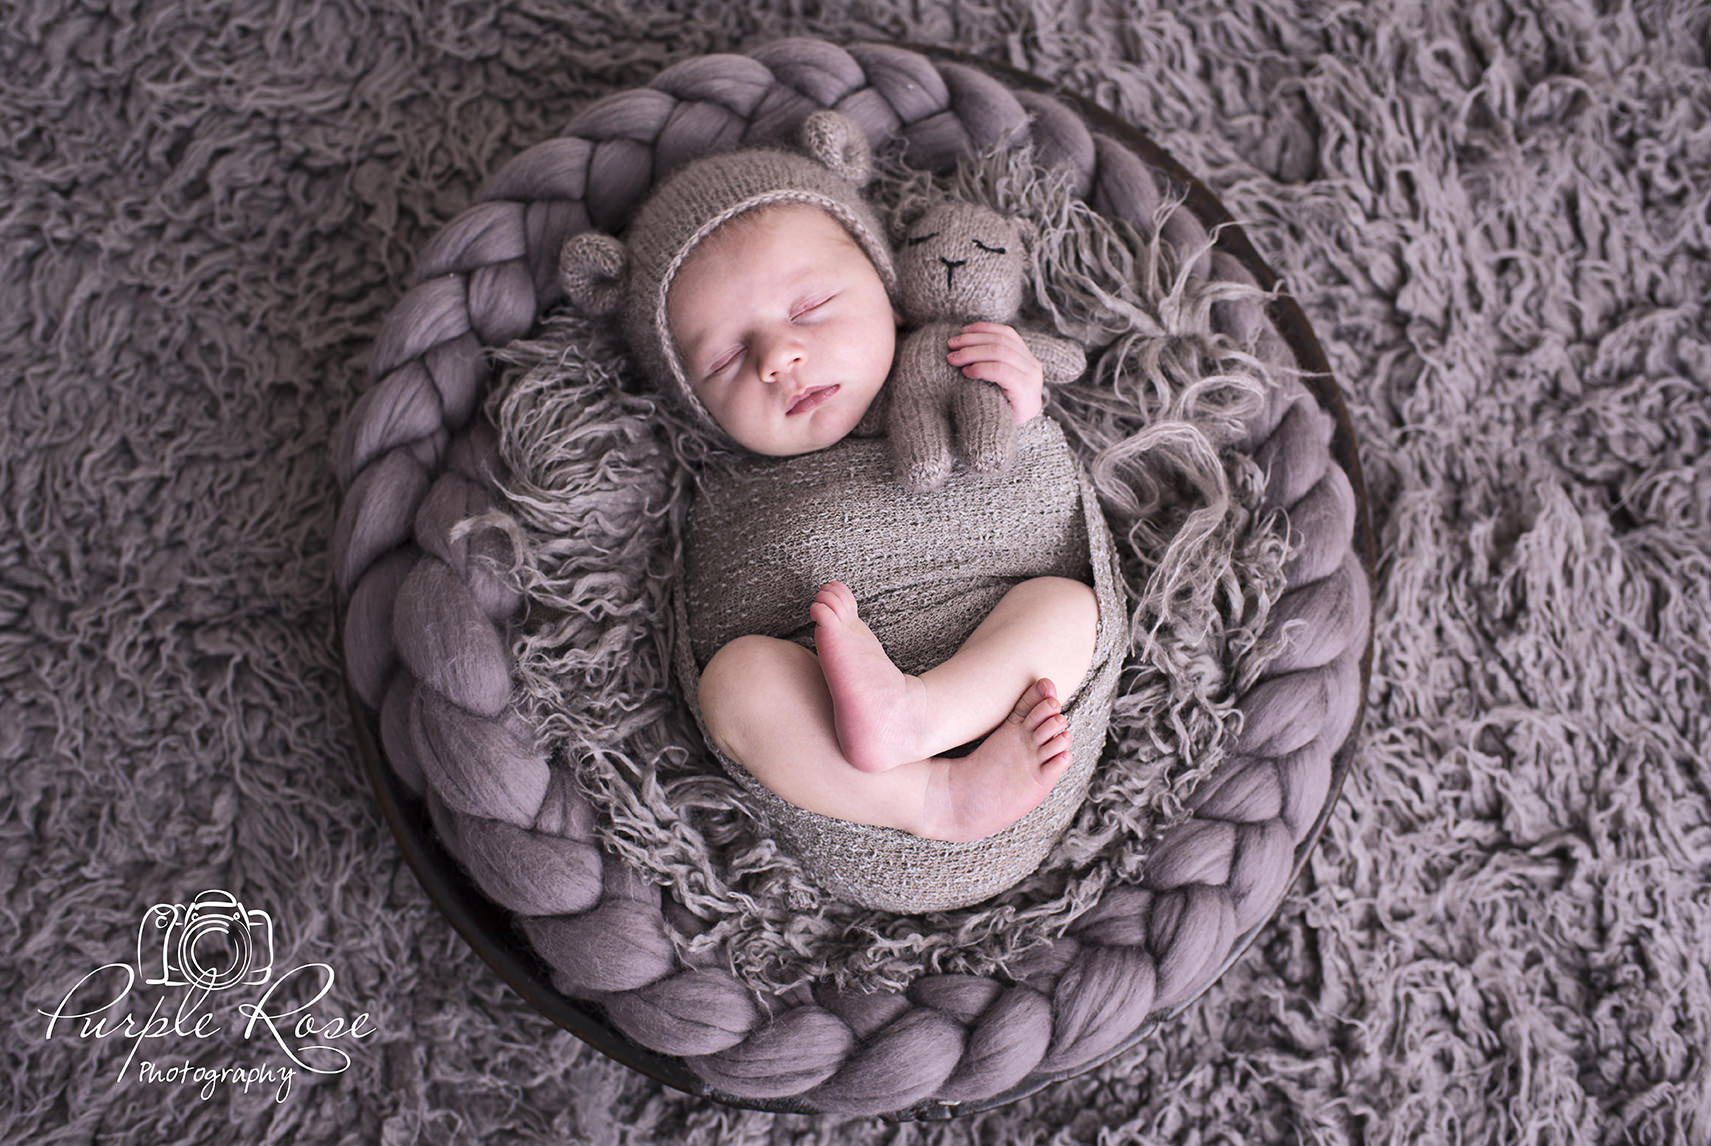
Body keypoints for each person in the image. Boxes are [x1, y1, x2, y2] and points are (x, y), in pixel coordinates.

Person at [567, 114, 1106, 853]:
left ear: (890, 297)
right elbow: (722, 600)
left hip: (1000, 690)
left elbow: (1036, 502)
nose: (780, 357)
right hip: (849, 774)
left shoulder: (956, 371)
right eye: (726, 358)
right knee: (734, 682)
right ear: (695, 404)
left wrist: (1019, 402)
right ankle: (931, 795)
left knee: (1068, 607)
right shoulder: (727, 491)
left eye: (810, 308)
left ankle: (923, 714)